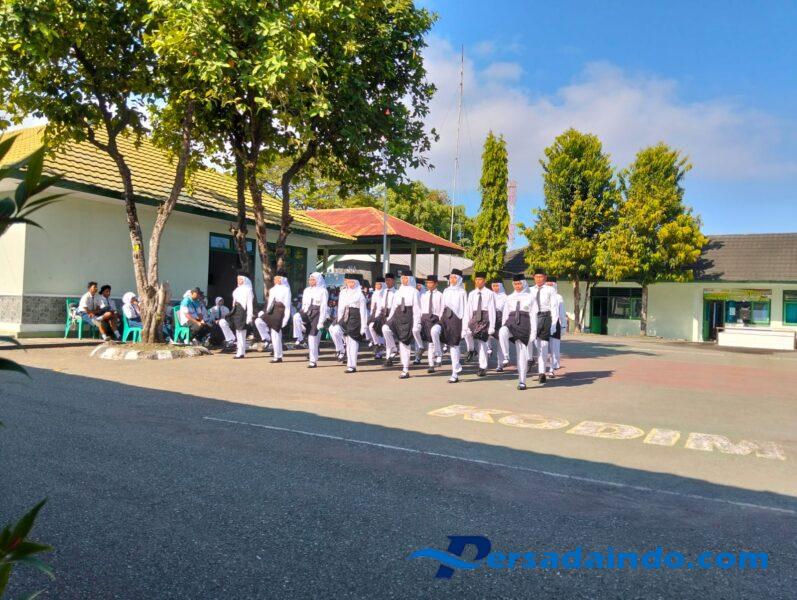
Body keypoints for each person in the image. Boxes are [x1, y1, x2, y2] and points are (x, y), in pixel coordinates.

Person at [329, 273, 368, 373]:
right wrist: (339, 320)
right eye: (348, 282)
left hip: (355, 317)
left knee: (352, 342)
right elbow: (340, 308)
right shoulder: (343, 292)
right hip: (344, 316)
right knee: (335, 330)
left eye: (352, 282)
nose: (349, 284)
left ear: (356, 283)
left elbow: (363, 312)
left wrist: (363, 326)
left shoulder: (360, 294)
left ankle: (352, 366)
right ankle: (341, 350)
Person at [385, 270, 421, 379]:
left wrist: (417, 323)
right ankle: (393, 349)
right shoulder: (398, 291)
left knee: (404, 343)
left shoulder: (415, 292)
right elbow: (394, 307)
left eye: (406, 278)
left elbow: (417, 309)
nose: (404, 280)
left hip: (408, 316)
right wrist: (389, 319)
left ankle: (405, 369)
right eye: (402, 278)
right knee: (385, 328)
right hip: (397, 315)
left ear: (410, 279)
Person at [504, 274, 536, 390]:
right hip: (511, 324)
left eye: (519, 284)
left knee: (521, 355)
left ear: (523, 284)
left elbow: (533, 316)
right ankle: (506, 356)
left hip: (524, 326)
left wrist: (533, 332)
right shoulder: (509, 297)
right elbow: (505, 314)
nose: (517, 286)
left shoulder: (530, 297)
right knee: (502, 332)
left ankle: (522, 381)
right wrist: (504, 325)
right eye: (515, 284)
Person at [530, 267, 560, 383]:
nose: (538, 279)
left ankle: (541, 373)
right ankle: (534, 363)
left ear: (545, 277)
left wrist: (553, 324)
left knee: (543, 345)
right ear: (533, 278)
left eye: (541, 277)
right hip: (533, 318)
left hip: (546, 316)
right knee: (535, 345)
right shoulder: (530, 290)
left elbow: (554, 307)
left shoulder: (550, 290)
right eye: (536, 277)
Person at [464, 271, 496, 377]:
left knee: (482, 343)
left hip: (485, 318)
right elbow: (468, 309)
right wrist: (466, 324)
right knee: (467, 334)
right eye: (476, 280)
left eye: (480, 280)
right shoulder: (472, 294)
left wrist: (492, 326)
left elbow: (492, 310)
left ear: (484, 281)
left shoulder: (489, 293)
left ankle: (482, 367)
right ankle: (471, 350)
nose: (478, 281)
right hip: (474, 318)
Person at [440, 269, 469, 383]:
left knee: (454, 346)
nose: (452, 280)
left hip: (456, 320)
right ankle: (438, 353)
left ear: (459, 279)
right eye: (451, 277)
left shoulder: (462, 292)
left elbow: (465, 310)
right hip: (444, 318)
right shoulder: (446, 290)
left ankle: (455, 372)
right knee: (434, 331)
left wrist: (464, 327)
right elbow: (442, 306)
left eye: (454, 278)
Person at [295, 272, 328, 368]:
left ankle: (313, 361)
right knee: (296, 317)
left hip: (317, 313)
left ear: (318, 280)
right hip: (306, 312)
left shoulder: (323, 291)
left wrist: (321, 321)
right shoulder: (306, 290)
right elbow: (304, 304)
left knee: (312, 338)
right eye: (310, 279)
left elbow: (323, 307)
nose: (310, 281)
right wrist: (303, 315)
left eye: (313, 280)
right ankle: (300, 338)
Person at [263, 270, 292, 362]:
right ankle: (270, 343)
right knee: (259, 322)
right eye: (275, 279)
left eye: (277, 279)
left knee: (275, 333)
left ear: (281, 279)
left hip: (280, 311)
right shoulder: (272, 290)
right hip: (272, 311)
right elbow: (270, 303)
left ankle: (278, 356)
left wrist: (286, 318)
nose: (275, 280)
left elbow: (287, 305)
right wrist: (266, 313)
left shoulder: (286, 290)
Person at [419, 274, 444, 373]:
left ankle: (438, 354)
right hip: (425, 319)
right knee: (430, 343)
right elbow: (421, 308)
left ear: (436, 284)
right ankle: (431, 365)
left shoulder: (440, 295)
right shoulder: (423, 295)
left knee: (434, 335)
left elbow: (442, 308)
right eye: (427, 283)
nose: (429, 285)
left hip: (436, 319)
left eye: (431, 283)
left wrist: (441, 320)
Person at [228, 274, 255, 359]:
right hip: (236, 310)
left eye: (240, 279)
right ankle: (240, 351)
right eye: (237, 279)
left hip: (242, 310)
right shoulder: (237, 289)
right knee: (237, 332)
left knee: (241, 332)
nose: (238, 280)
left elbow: (249, 304)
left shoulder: (248, 290)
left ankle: (241, 352)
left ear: (244, 280)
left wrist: (249, 316)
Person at [490, 278, 510, 372]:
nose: (495, 288)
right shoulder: (490, 295)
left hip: (500, 320)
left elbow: (506, 312)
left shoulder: (505, 297)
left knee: (500, 343)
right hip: (490, 319)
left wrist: (504, 324)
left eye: (497, 286)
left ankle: (500, 364)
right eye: (493, 286)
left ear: (500, 286)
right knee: (484, 338)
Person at [547, 277, 567, 372]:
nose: (549, 287)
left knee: (555, 347)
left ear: (555, 285)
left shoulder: (559, 297)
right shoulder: (543, 296)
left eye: (551, 285)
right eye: (548, 285)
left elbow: (562, 313)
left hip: (555, 324)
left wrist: (563, 326)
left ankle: (554, 365)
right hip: (543, 323)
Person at [380, 272, 398, 364]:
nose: (387, 282)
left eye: (389, 280)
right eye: (386, 280)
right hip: (384, 313)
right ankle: (389, 357)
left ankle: (392, 351)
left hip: (392, 314)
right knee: (385, 335)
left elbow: (395, 306)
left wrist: (391, 316)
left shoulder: (396, 292)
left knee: (386, 331)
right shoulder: (383, 292)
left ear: (393, 281)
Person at [368, 277, 387, 359]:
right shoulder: (375, 293)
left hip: (382, 315)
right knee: (370, 327)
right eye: (376, 284)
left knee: (379, 332)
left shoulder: (384, 293)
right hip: (374, 315)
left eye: (378, 284)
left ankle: (379, 351)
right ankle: (376, 344)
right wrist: (371, 314)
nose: (376, 286)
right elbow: (372, 305)